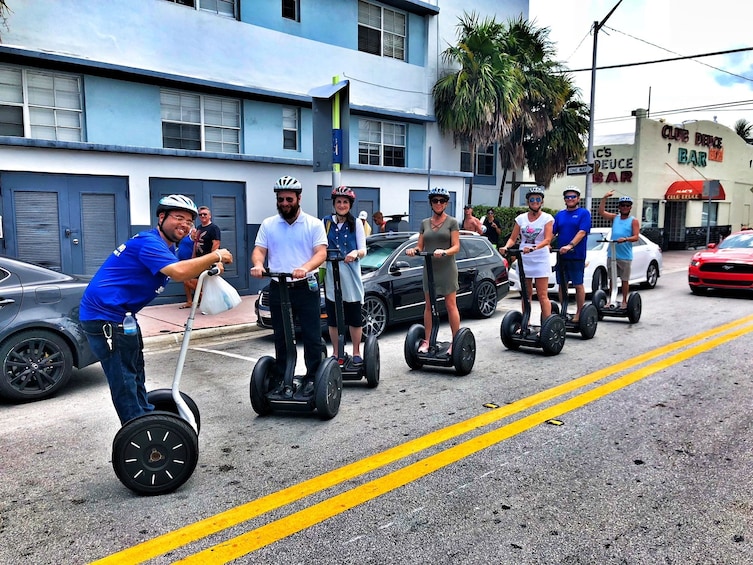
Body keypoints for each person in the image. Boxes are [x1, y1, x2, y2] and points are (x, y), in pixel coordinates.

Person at [79, 194, 234, 425]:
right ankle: (138, 432)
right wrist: (216, 254)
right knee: (124, 380)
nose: (185, 224)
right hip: (106, 318)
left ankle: (145, 416)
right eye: (179, 218)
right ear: (161, 217)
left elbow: (187, 269)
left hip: (123, 318)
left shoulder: (165, 248)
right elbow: (179, 272)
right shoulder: (148, 242)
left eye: (190, 221)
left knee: (135, 374)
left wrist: (211, 266)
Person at [250, 175, 327, 391]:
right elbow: (259, 250)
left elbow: (321, 253)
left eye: (289, 199)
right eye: (281, 199)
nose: (284, 203)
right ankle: (282, 377)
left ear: (299, 198)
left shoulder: (313, 224)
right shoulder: (269, 224)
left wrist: (306, 267)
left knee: (312, 335)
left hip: (305, 286)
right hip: (278, 287)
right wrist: (258, 264)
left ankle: (313, 377)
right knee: (282, 336)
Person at [406, 187, 460, 354]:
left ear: (446, 203)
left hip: (447, 268)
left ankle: (455, 342)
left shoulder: (452, 222)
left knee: (451, 305)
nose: (438, 203)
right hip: (429, 269)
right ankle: (427, 341)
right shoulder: (424, 223)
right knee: (429, 306)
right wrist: (413, 251)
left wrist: (444, 251)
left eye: (442, 201)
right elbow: (420, 246)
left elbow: (456, 246)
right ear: (431, 203)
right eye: (435, 200)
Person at [323, 187, 367, 364]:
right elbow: (318, 246)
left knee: (354, 315)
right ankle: (336, 352)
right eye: (339, 202)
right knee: (333, 316)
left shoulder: (356, 223)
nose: (342, 205)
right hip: (331, 272)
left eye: (345, 202)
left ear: (350, 205)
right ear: (334, 204)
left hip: (350, 273)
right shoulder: (325, 222)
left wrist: (355, 253)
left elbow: (364, 249)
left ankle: (356, 352)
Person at [499, 186, 554, 322]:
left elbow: (547, 239)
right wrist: (506, 247)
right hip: (524, 258)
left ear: (542, 202)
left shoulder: (547, 218)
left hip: (540, 258)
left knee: (542, 294)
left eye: (538, 199)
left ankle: (547, 325)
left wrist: (534, 248)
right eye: (532, 199)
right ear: (528, 201)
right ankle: (526, 323)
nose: (535, 201)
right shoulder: (521, 219)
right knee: (526, 294)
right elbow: (513, 238)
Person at [553, 186, 591, 322]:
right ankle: (564, 311)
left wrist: (570, 245)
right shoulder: (559, 215)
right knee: (562, 285)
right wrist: (544, 244)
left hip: (576, 255)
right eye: (567, 197)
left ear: (578, 199)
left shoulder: (583, 213)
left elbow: (582, 232)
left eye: (573, 197)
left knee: (577, 284)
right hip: (562, 256)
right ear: (564, 200)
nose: (570, 199)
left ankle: (579, 313)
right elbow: (552, 233)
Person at [598, 189, 640, 309]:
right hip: (612, 254)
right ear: (619, 207)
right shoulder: (615, 218)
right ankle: (612, 300)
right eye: (623, 205)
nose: (625, 207)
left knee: (624, 279)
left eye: (627, 205)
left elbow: (636, 236)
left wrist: (626, 239)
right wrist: (604, 198)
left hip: (625, 255)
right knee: (612, 279)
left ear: (630, 207)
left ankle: (624, 301)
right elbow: (601, 212)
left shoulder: (633, 221)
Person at [181, 206, 221, 308]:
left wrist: (211, 260)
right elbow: (195, 243)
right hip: (198, 260)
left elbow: (216, 244)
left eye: (205, 214)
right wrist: (193, 256)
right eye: (200, 214)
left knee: (203, 283)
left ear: (210, 216)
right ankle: (192, 302)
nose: (203, 216)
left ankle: (207, 302)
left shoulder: (214, 228)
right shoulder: (198, 228)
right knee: (187, 280)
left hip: (207, 261)